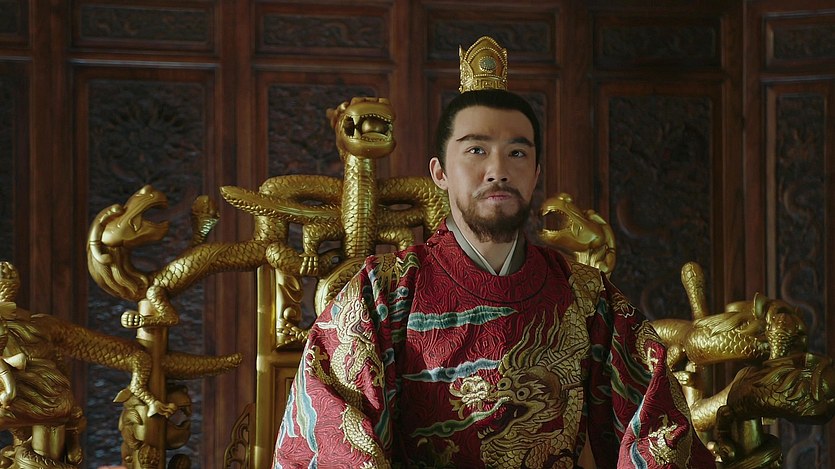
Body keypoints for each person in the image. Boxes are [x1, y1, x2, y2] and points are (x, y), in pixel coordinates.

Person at [273, 36, 715, 468]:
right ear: (440, 172)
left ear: (536, 172)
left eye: (516, 152)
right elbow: (331, 435)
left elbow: (658, 427)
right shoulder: (384, 292)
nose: (497, 170)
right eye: (476, 150)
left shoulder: (586, 296)